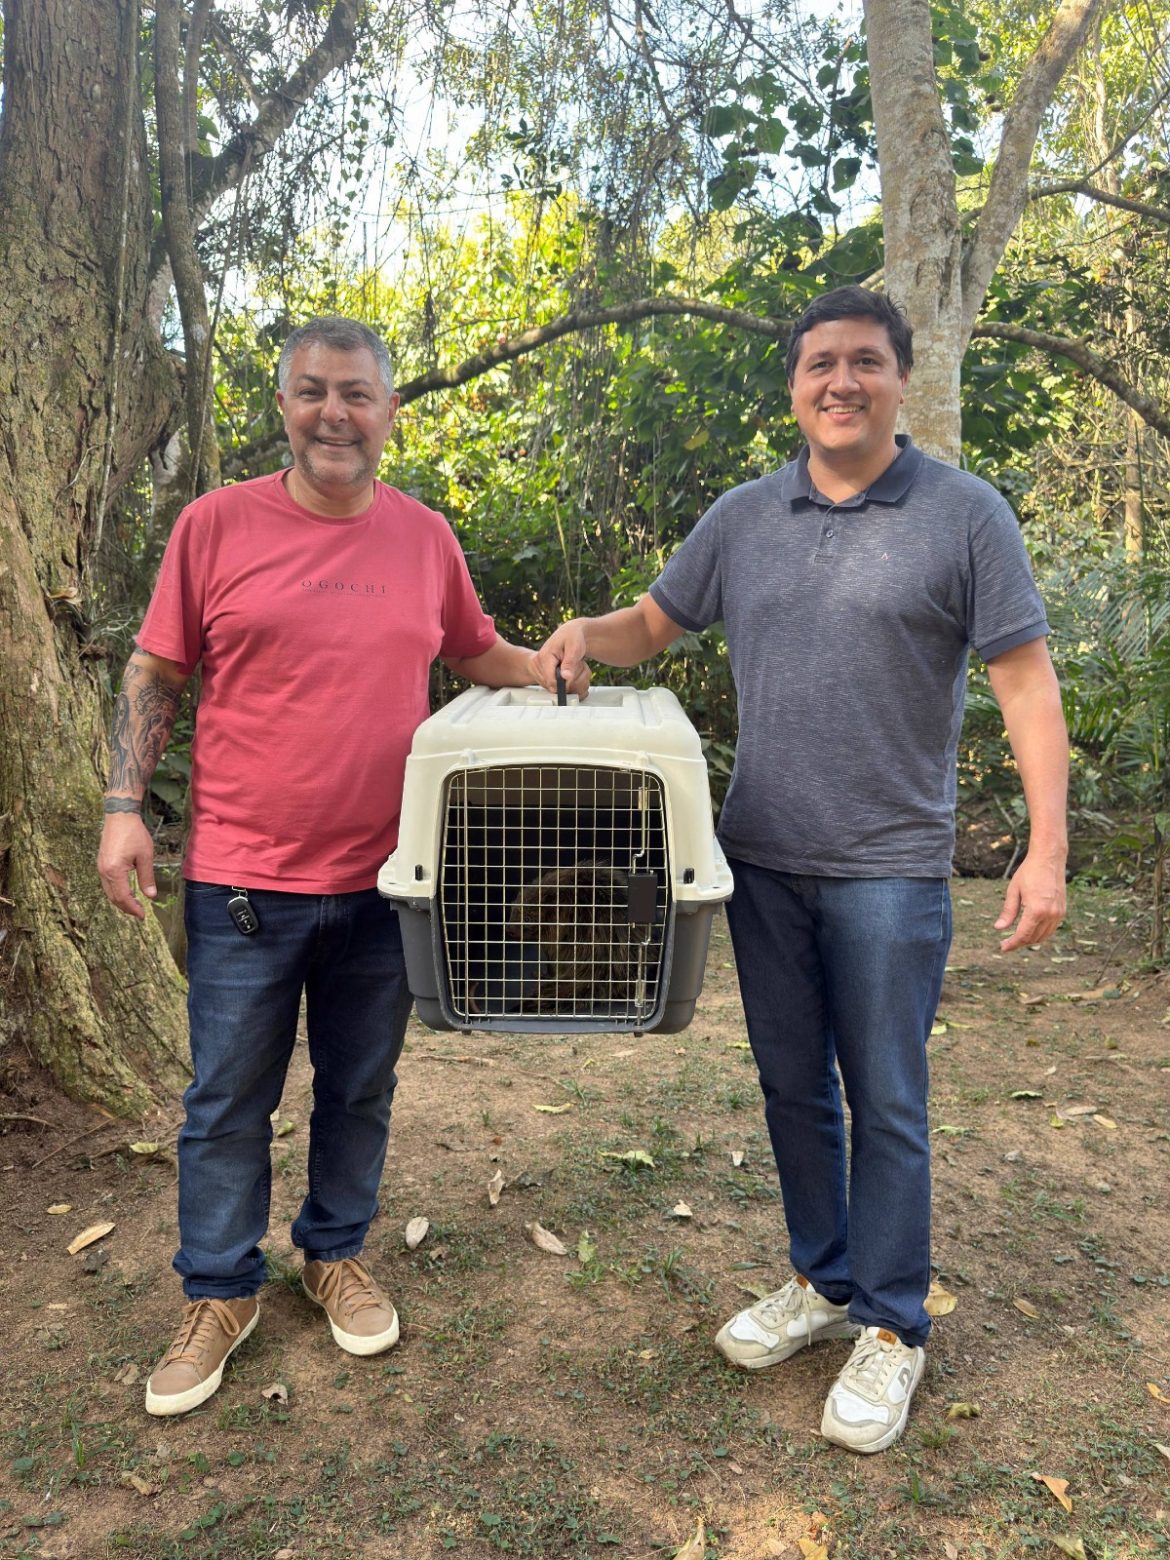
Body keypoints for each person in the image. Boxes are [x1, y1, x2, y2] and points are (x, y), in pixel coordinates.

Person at [533, 285, 1068, 1454]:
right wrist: (582, 636)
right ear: (794, 387)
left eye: (865, 362)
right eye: (821, 362)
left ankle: (890, 1326)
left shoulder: (965, 516)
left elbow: (1026, 683)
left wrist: (1048, 844)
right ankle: (824, 1284)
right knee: (792, 1090)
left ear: (900, 381)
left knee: (886, 1099)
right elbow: (655, 622)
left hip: (890, 869)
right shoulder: (744, 516)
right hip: (761, 861)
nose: (841, 381)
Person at [97, 317, 587, 1418]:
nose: (335, 413)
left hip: (387, 883)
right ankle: (221, 1292)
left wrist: (560, 669)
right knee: (226, 1102)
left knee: (360, 1086)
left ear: (390, 412)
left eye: (357, 394)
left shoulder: (424, 537)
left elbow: (475, 652)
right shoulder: (215, 527)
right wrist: (124, 806)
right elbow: (156, 670)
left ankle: (331, 1254)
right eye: (313, 391)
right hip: (242, 882)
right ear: (283, 405)